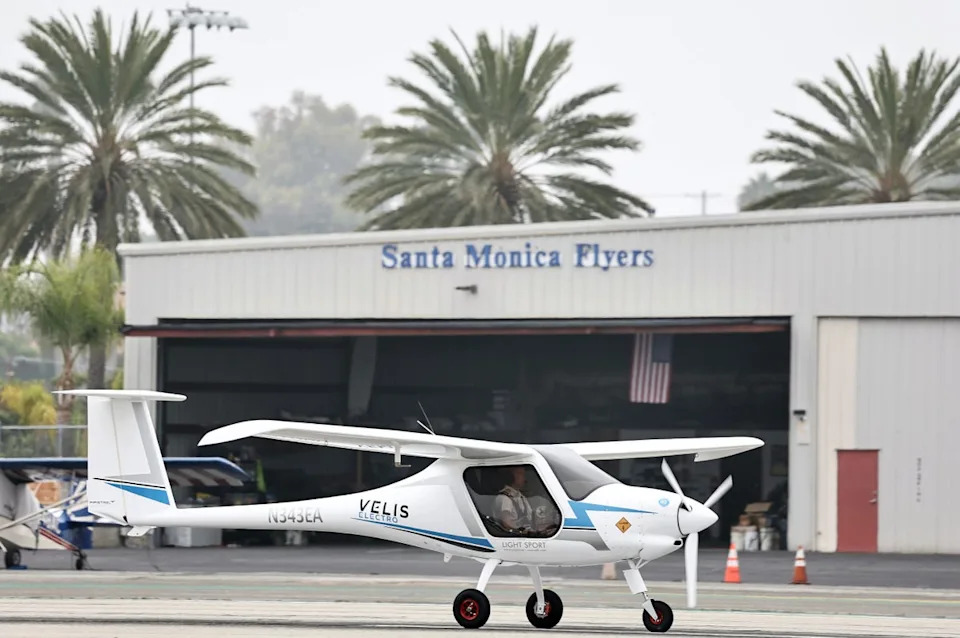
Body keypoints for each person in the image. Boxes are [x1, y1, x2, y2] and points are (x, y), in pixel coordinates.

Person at [493, 466, 533, 534]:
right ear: (510, 477)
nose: (524, 478)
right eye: (520, 473)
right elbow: (507, 524)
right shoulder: (504, 498)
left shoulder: (521, 497)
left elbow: (530, 518)